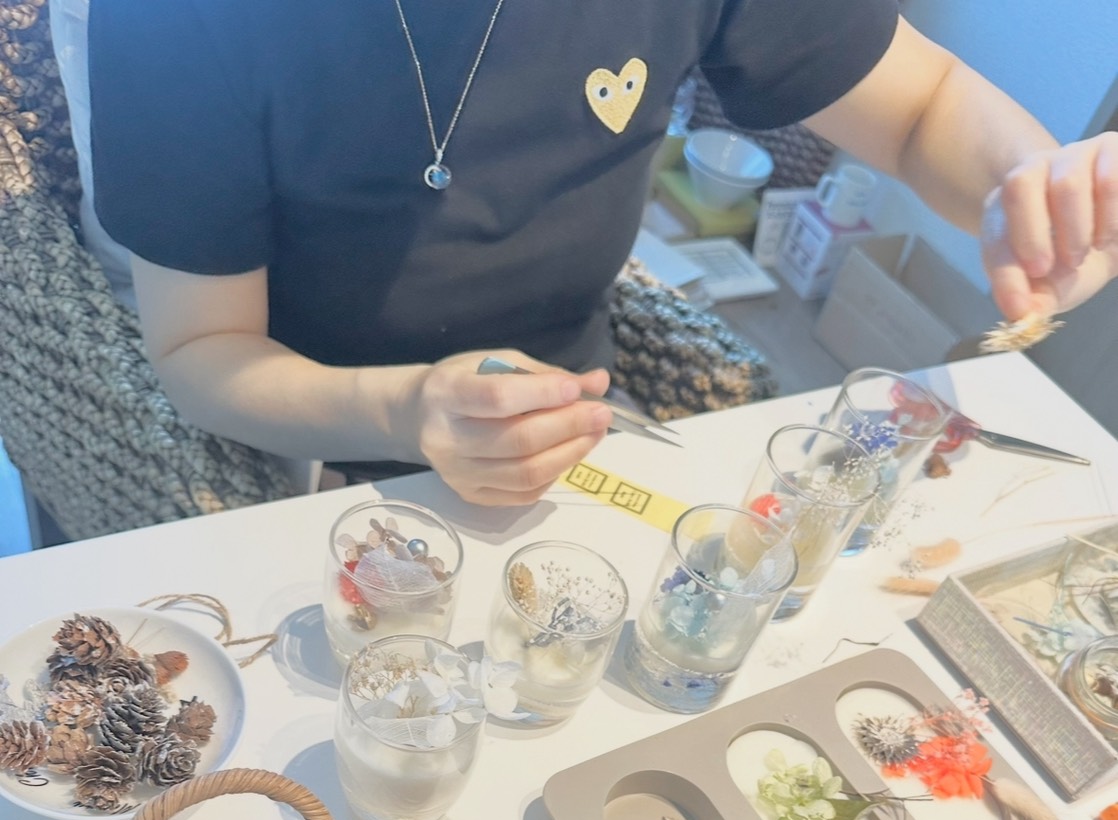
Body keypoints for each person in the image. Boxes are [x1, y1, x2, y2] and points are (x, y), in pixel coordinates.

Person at [85, 0, 1117, 507]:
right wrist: (403, 411)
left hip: (580, 425)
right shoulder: (181, 20)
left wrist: (1034, 188)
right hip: (305, 443)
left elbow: (921, 104)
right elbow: (200, 353)